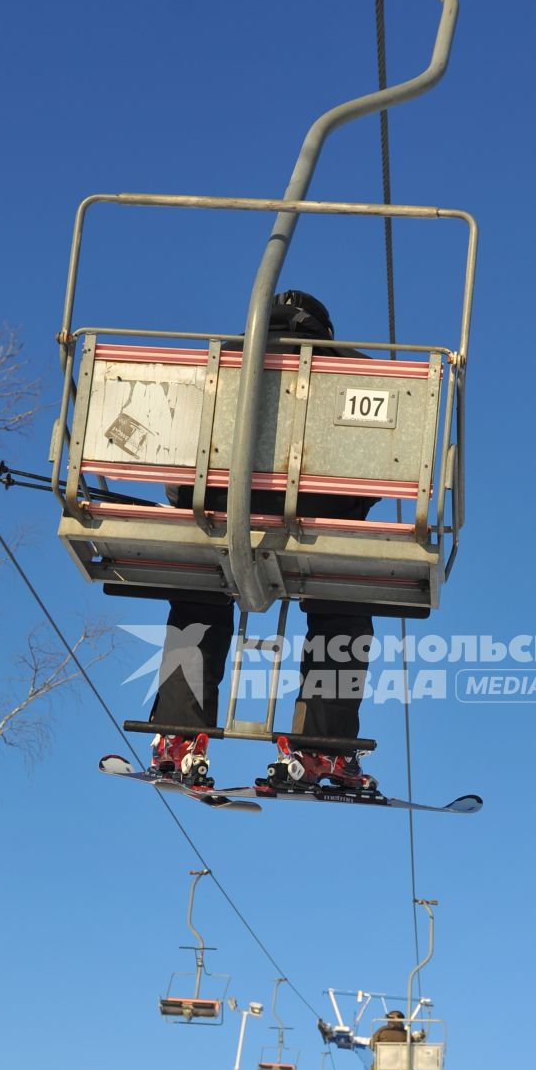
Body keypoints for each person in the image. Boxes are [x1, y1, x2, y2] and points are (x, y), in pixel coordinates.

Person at [148, 289, 377, 794]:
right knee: (343, 607)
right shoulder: (357, 368)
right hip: (322, 514)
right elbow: (384, 464)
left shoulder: (221, 361)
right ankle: (323, 745)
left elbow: (173, 461)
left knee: (200, 593)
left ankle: (179, 735)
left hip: (221, 508)